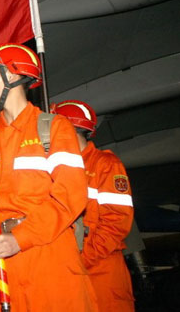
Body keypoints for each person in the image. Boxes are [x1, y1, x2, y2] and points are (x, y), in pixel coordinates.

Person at [0, 43, 97, 311]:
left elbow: (71, 196)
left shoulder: (54, 128)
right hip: (1, 260)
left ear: (12, 76)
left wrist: (19, 238)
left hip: (47, 255)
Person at [52, 100, 135, 311]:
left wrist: (81, 259)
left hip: (101, 273)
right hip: (69, 271)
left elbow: (116, 224)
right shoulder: (55, 168)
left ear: (68, 130)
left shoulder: (105, 165)